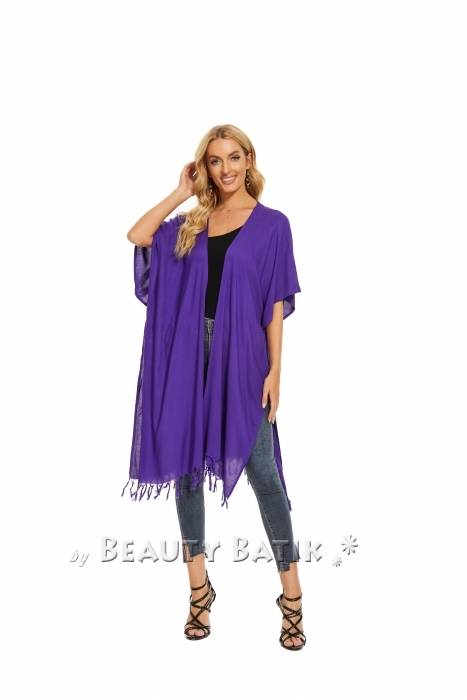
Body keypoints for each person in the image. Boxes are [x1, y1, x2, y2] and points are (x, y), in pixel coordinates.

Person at [124, 124, 305, 650]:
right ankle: (199, 593)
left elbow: (275, 304)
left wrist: (275, 371)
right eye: (214, 160)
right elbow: (138, 235)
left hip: (242, 354)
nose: (225, 169)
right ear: (204, 166)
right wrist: (181, 191)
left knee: (263, 473)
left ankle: (292, 598)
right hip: (187, 351)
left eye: (233, 157)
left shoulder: (273, 225)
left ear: (249, 159)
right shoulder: (194, 221)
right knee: (185, 470)